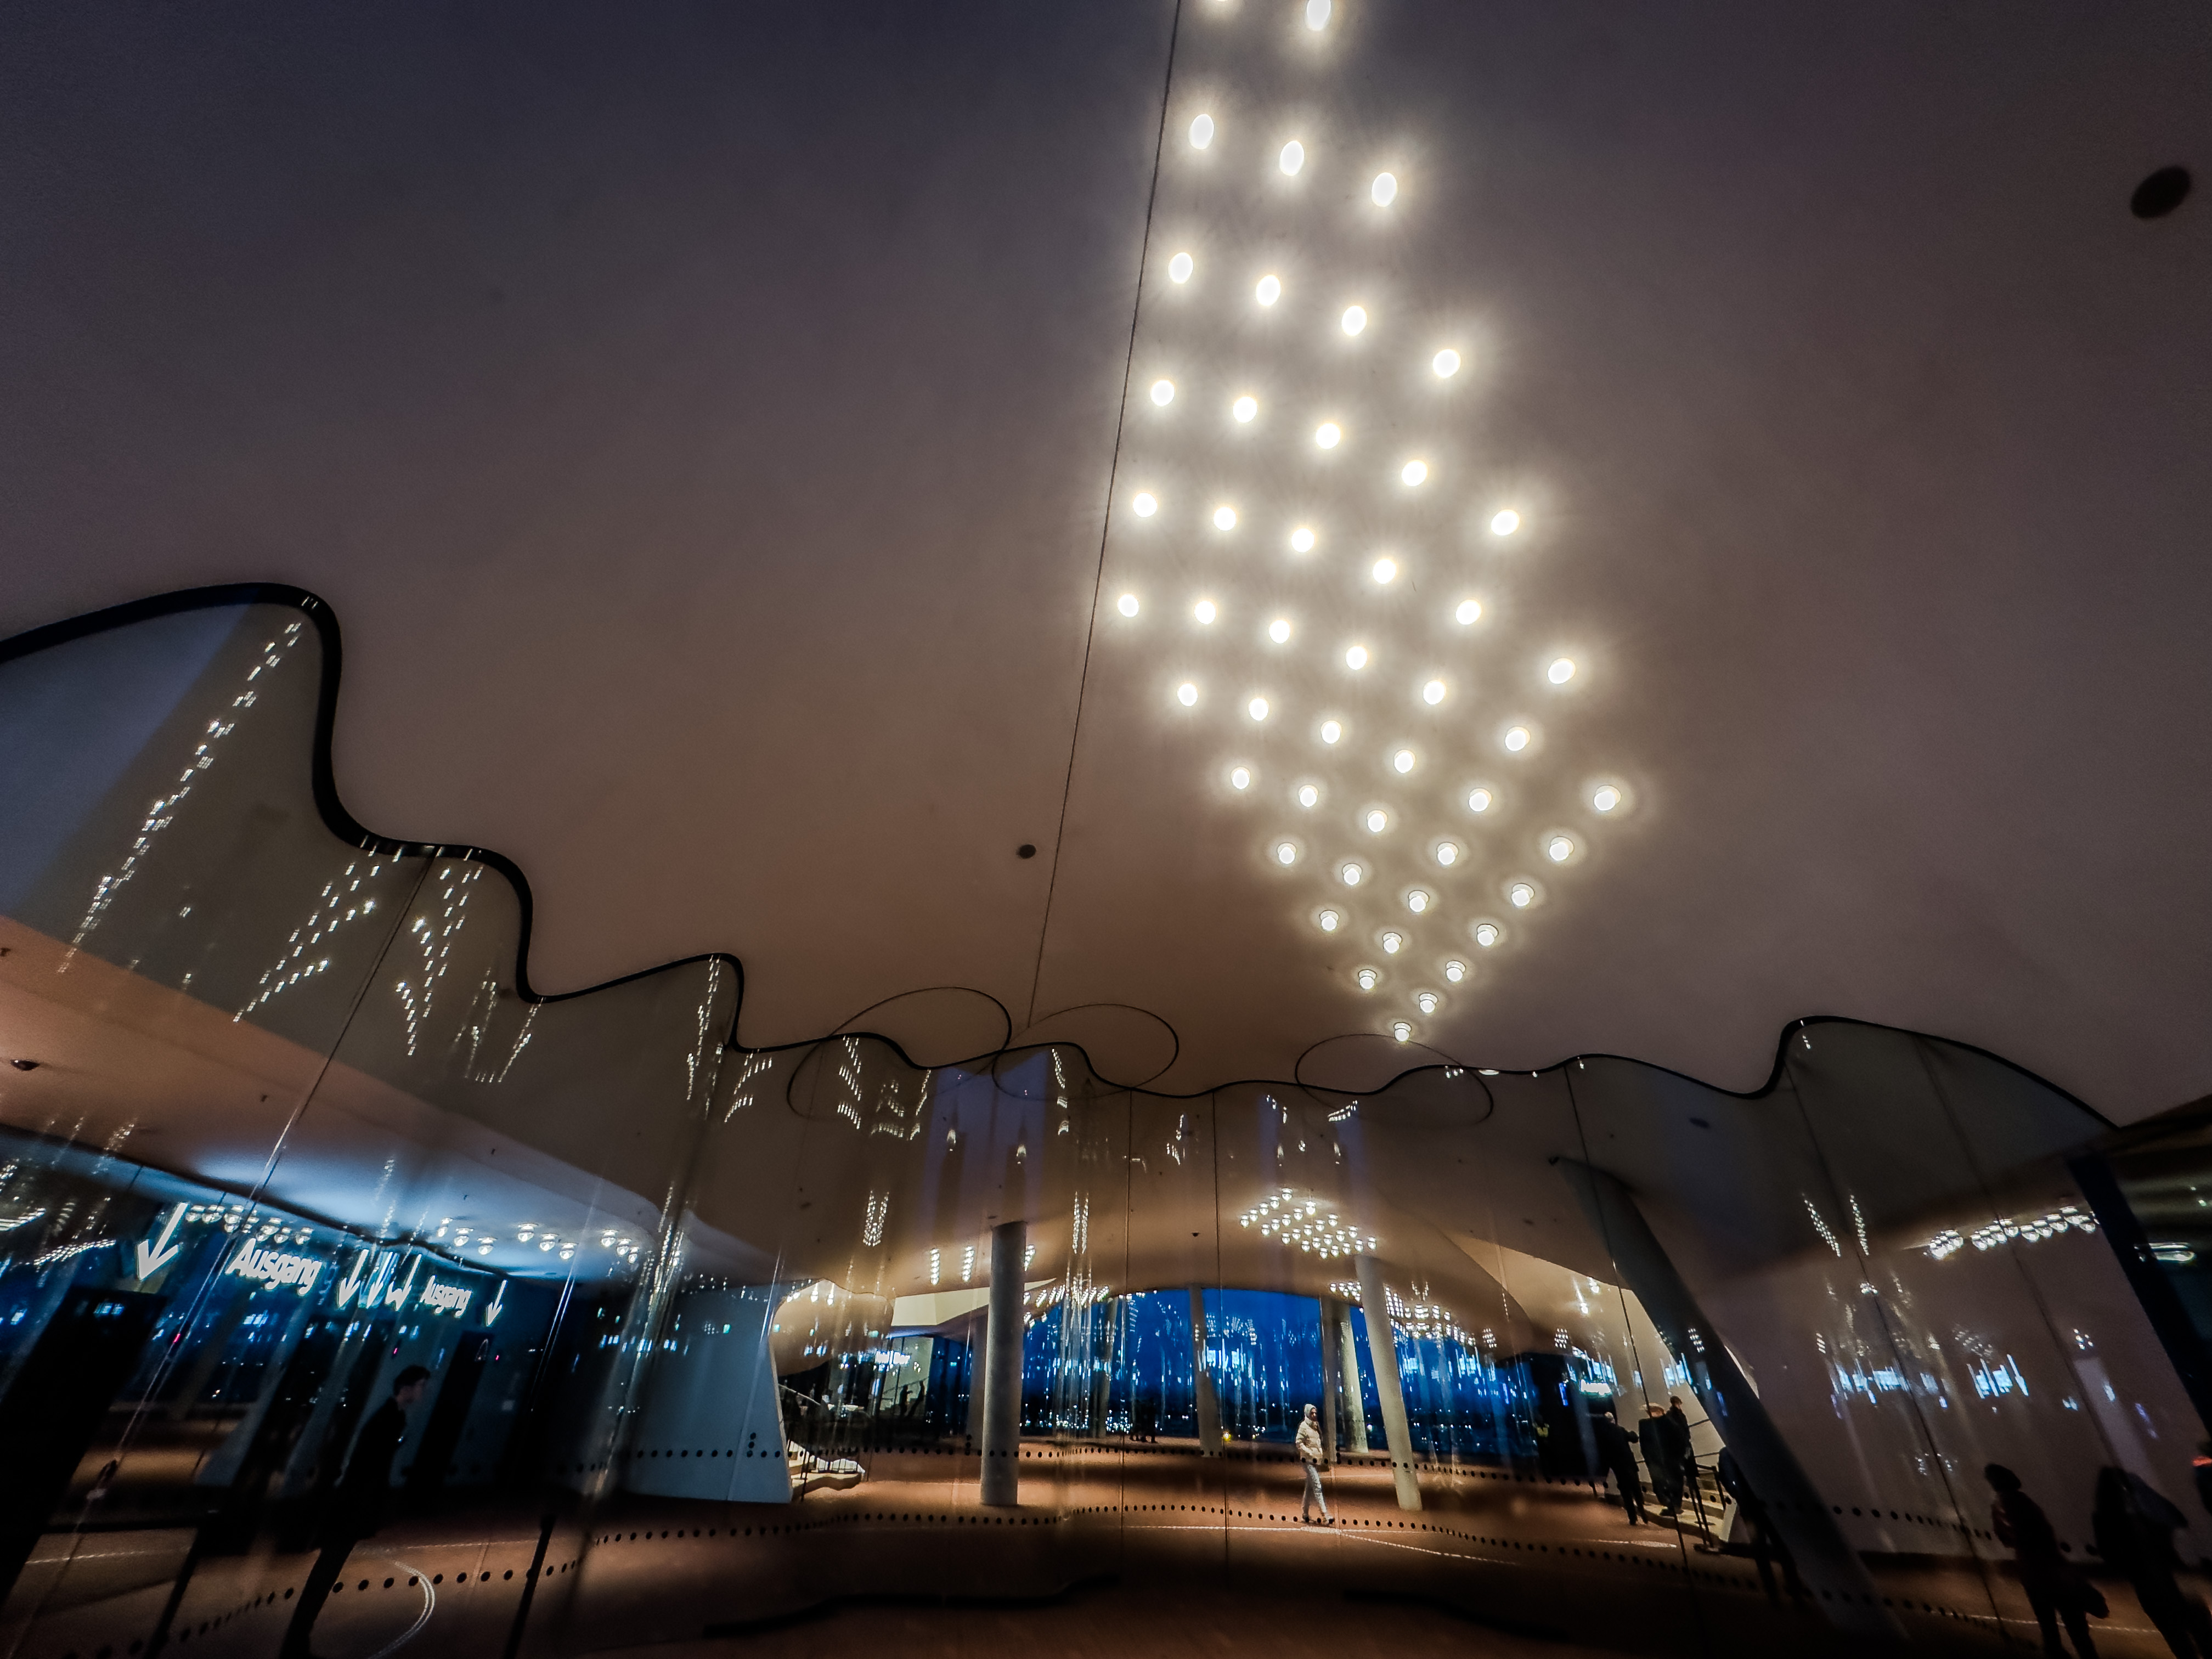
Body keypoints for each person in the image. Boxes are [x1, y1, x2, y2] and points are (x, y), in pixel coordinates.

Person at [281, 1365, 432, 1659]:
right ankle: (296, 1639)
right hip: (353, 1507)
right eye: (421, 1386)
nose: (423, 1392)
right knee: (327, 1570)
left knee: (327, 1568)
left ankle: (297, 1638)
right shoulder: (390, 1419)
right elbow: (371, 1469)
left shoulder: (389, 1416)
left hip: (351, 1504)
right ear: (407, 1387)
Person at [2091, 1465, 2212, 1658]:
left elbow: (2110, 1556)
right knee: (2200, 1632)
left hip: (2152, 1587)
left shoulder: (2105, 1518)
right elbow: (2177, 1519)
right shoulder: (2145, 1509)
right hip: (2173, 1579)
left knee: (2179, 1640)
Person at [1987, 1463, 2102, 1657]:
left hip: (2029, 1571)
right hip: (2050, 1568)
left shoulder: (1998, 1505)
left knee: (2047, 1625)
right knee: (2075, 1624)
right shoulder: (2021, 1501)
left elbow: (2005, 1538)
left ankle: (2056, 1653)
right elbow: (2041, 1534)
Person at [1716, 1446, 1805, 1602]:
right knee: (1780, 1548)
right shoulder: (1749, 1450)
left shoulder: (1728, 1453)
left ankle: (1774, 1593)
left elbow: (1727, 1479)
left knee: (1762, 1550)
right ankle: (1793, 1591)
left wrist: (1740, 1497)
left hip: (1751, 1508)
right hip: (1766, 1507)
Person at [1592, 1410, 1645, 1524]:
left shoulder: (1603, 1435)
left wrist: (1605, 1469)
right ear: (1613, 1420)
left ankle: (1632, 1518)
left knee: (1626, 1492)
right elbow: (1634, 1438)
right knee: (1636, 1488)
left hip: (1618, 1467)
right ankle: (1641, 1509)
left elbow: (1603, 1453)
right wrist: (1633, 1433)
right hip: (1630, 1464)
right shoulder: (1620, 1430)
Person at [1639, 1403, 1683, 1515]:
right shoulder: (1645, 1424)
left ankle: (1674, 1506)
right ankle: (1671, 1505)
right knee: (1660, 1485)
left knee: (1673, 1483)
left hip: (1669, 1460)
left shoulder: (1668, 1423)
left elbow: (1679, 1439)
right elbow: (1644, 1445)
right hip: (1657, 1461)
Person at [1296, 1402, 1333, 1523]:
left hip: (1315, 1461)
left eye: (1315, 1413)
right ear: (1307, 1413)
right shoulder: (1304, 1426)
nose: (1314, 1415)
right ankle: (1325, 1515)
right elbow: (1299, 1443)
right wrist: (1310, 1453)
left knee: (1309, 1488)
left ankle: (1305, 1513)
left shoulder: (1315, 1426)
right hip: (1307, 1461)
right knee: (1317, 1486)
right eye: (1312, 1413)